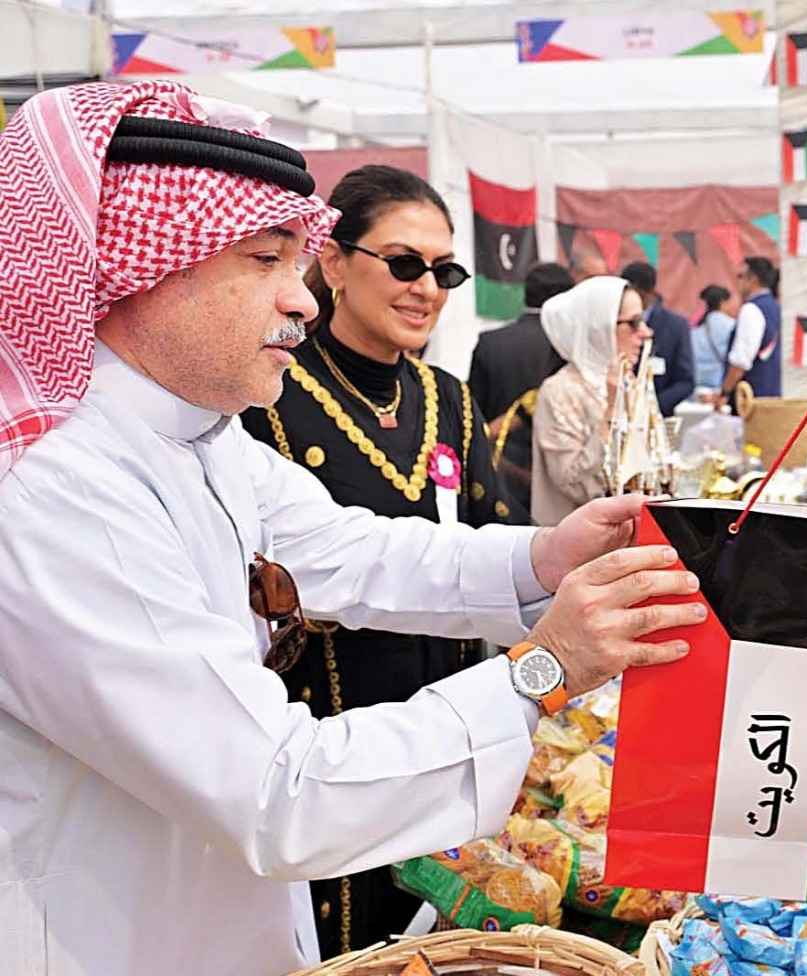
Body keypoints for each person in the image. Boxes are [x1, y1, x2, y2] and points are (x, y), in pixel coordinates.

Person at [0, 82, 706, 976]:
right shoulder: (58, 488)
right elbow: (277, 791)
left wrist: (547, 554)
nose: (300, 302)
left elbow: (358, 550)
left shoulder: (196, 437)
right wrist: (543, 669)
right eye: (266, 261)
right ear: (138, 265)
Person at [236, 165, 502, 952]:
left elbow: (490, 537)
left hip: (449, 719)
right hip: (323, 736)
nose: (427, 287)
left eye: (444, 270)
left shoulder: (449, 399)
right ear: (334, 262)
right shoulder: (269, 392)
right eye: (404, 262)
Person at [532, 276, 652, 524]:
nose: (645, 332)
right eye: (634, 323)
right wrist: (611, 410)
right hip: (576, 545)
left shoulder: (630, 381)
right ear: (599, 328)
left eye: (643, 320)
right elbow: (574, 483)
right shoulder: (559, 391)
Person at [466, 262, 576, 521]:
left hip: (500, 470)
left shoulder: (491, 343)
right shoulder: (572, 347)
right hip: (557, 478)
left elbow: (474, 410)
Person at [620, 261, 696, 415]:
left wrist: (650, 407)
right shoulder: (615, 321)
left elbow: (685, 381)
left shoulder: (675, 326)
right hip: (618, 413)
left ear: (649, 293)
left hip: (657, 416)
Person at [714, 255, 782, 404]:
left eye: (740, 276)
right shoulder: (776, 307)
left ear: (753, 279)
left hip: (751, 400)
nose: (737, 282)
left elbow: (740, 361)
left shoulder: (751, 309)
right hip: (772, 396)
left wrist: (724, 393)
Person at [692, 284, 737, 391]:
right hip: (720, 386)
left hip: (697, 384)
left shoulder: (697, 328)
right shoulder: (731, 325)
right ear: (722, 303)